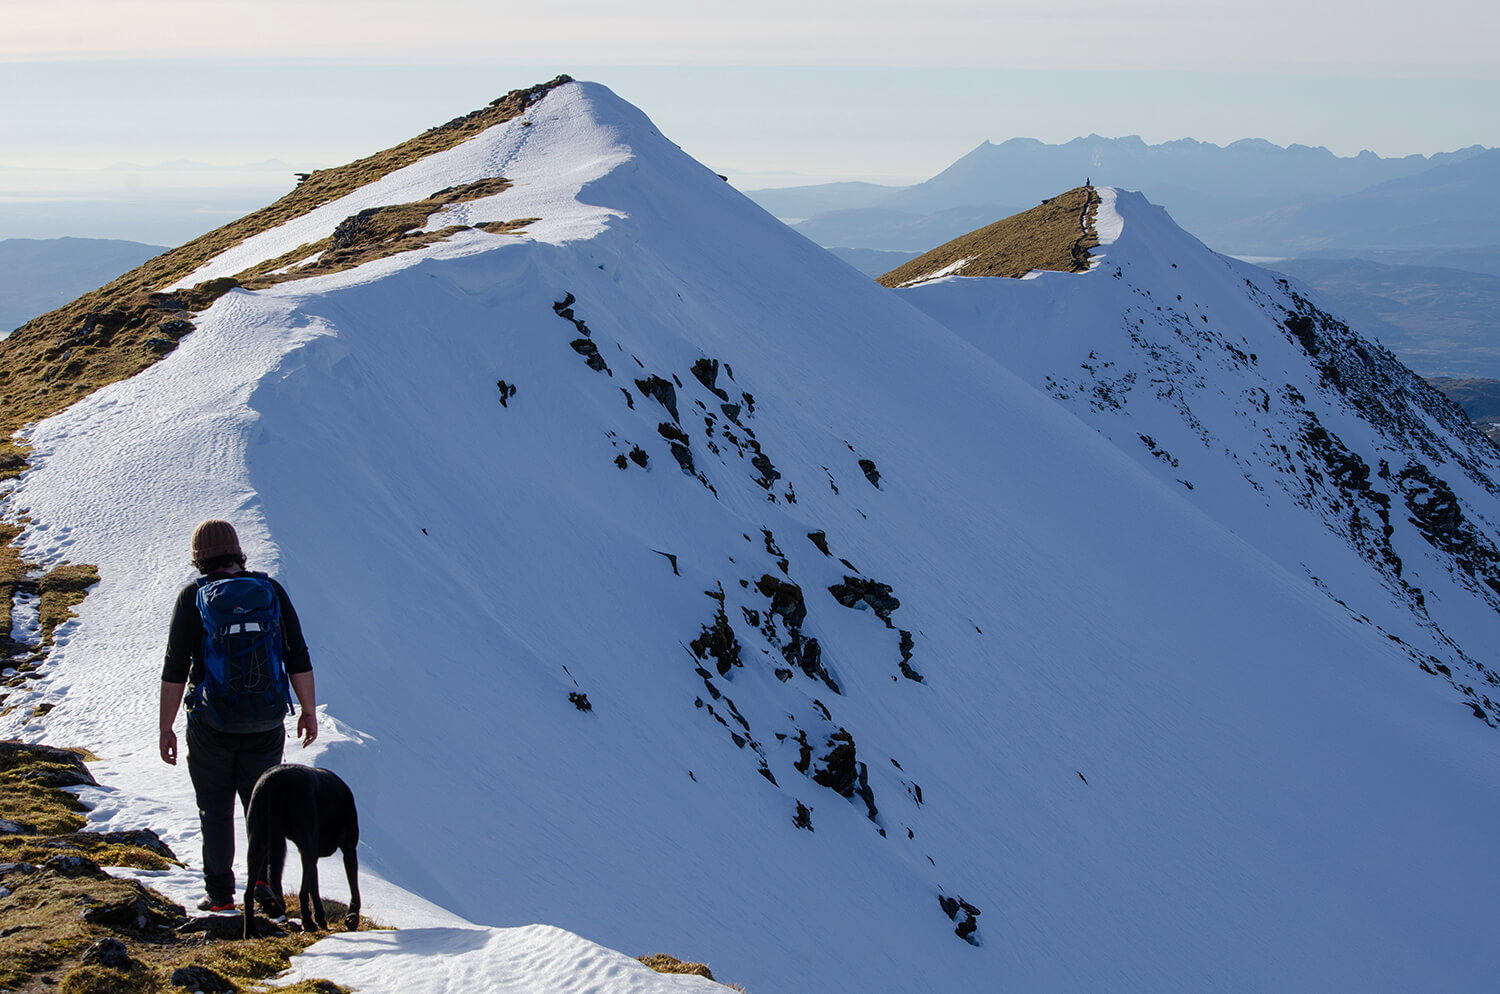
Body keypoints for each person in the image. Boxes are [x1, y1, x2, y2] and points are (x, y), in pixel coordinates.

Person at [158, 519, 318, 912]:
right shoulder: (270, 591)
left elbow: (175, 667)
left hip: (210, 725)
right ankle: (267, 887)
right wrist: (308, 711)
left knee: (214, 808)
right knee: (263, 808)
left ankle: (220, 895)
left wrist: (166, 727)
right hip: (266, 722)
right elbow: (297, 653)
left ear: (199, 557)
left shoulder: (193, 598)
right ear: (237, 551)